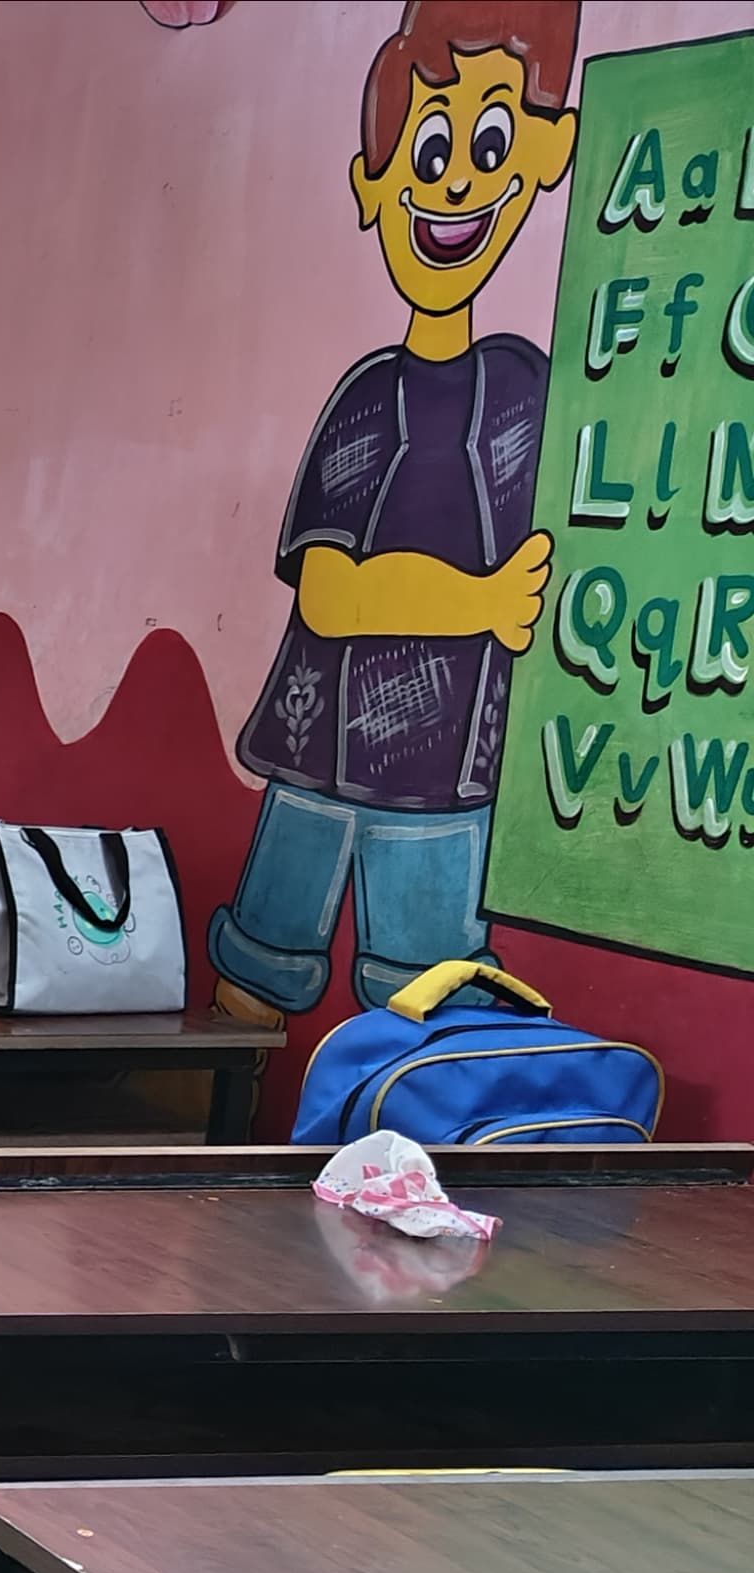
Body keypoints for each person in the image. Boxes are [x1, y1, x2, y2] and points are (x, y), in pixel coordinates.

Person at [206, 0, 577, 1023]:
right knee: (263, 964)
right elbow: (329, 594)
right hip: (318, 754)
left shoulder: (525, 391)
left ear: (545, 156)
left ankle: (392, 1126)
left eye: (488, 146)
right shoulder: (369, 397)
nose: (455, 183)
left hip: (448, 771)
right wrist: (483, 603)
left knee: (428, 991)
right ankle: (224, 1118)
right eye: (429, 151)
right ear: (375, 187)